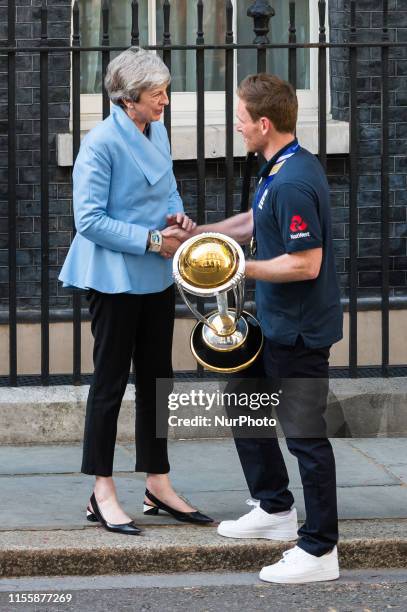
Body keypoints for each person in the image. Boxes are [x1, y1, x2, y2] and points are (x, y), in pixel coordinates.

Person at [164, 73, 343, 582]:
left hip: (300, 331)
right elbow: (253, 222)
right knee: (244, 400)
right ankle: (274, 509)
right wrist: (202, 234)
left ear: (264, 124)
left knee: (306, 438)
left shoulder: (293, 180)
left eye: (241, 119)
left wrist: (236, 267)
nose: (237, 127)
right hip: (271, 322)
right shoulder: (278, 169)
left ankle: (319, 550)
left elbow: (305, 263)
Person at [59, 47, 213, 535]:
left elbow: (166, 189)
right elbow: (88, 221)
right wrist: (151, 240)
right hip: (113, 274)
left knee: (156, 380)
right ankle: (101, 490)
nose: (165, 100)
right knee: (109, 384)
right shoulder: (100, 143)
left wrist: (177, 216)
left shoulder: (158, 130)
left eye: (165, 91)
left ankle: (158, 483)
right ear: (129, 100)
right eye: (157, 94)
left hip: (154, 273)